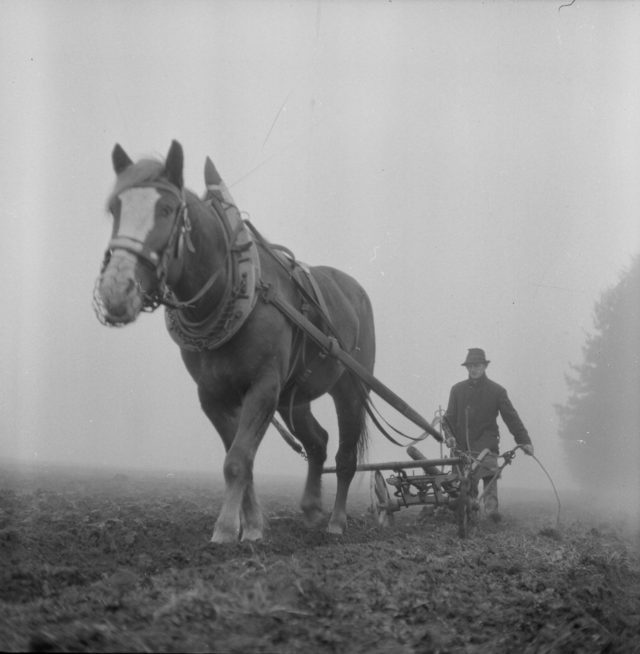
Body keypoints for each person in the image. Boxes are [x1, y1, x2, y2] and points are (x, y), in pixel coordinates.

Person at [444, 348, 534, 522]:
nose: (474, 369)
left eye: (477, 365)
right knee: (465, 483)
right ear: (467, 368)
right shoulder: (457, 390)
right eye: (470, 366)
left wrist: (524, 441)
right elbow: (448, 420)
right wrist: (450, 436)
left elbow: (511, 417)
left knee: (489, 476)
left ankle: (491, 513)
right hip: (461, 445)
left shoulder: (497, 391)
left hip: (486, 443)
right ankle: (468, 513)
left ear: (485, 366)